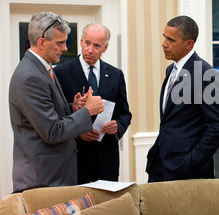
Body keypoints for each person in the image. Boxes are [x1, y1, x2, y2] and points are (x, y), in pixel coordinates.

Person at [9, 12, 104, 193]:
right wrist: (87, 111)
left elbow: (46, 113)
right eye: (60, 43)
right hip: (43, 181)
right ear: (42, 42)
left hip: (52, 178)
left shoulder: (41, 68)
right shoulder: (31, 76)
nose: (65, 48)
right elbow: (52, 131)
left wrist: (73, 108)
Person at [146, 15, 219, 182]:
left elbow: (218, 126)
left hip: (187, 172)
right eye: (164, 37)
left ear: (189, 44)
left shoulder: (205, 74)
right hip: (160, 164)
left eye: (171, 40)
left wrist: (191, 163)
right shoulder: (171, 70)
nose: (164, 44)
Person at [54, 23, 132, 183]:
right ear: (81, 42)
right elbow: (56, 115)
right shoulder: (60, 73)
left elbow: (125, 113)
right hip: (75, 158)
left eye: (97, 45)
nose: (90, 49)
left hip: (106, 159)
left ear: (105, 47)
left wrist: (118, 126)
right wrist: (78, 132)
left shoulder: (116, 75)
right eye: (87, 43)